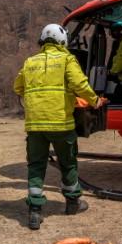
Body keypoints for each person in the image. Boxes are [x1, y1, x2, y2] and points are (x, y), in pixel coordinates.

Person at [13, 24, 108, 230]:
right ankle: (73, 203)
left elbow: (17, 87)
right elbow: (80, 85)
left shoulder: (30, 62)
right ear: (63, 41)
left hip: (35, 126)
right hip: (61, 124)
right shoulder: (66, 59)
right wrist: (95, 101)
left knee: (36, 166)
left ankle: (35, 211)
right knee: (68, 163)